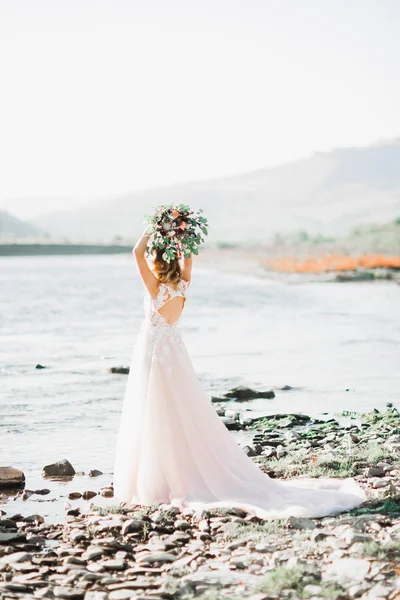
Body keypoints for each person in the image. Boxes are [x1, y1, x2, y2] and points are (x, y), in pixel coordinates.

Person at [113, 211, 366, 519]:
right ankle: (177, 473)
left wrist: (154, 228)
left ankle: (159, 480)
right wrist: (180, 234)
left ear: (157, 262)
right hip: (175, 355)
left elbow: (136, 252)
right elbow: (188, 255)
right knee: (179, 413)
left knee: (153, 414)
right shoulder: (183, 284)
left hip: (153, 353)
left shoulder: (155, 287)